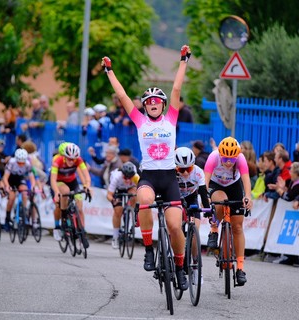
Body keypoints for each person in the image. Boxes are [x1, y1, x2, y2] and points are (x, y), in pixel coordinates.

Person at [101, 44, 191, 290]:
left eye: (156, 101)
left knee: (174, 226)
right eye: (148, 101)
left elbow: (176, 88)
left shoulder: (171, 118)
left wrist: (183, 60)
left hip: (169, 178)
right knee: (143, 199)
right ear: (145, 106)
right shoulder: (139, 120)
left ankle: (181, 268)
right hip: (150, 176)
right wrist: (109, 71)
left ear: (162, 105)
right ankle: (149, 250)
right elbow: (122, 96)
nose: (152, 103)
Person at [204, 136, 253, 286]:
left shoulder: (241, 159)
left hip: (234, 185)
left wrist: (248, 198)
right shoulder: (213, 157)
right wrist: (207, 199)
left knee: (237, 227)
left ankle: (240, 268)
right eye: (225, 158)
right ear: (220, 154)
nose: (228, 162)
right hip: (216, 184)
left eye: (232, 159)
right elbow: (205, 183)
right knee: (221, 201)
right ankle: (214, 229)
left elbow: (246, 180)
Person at [174, 147, 209, 283]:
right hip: (176, 198)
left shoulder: (198, 172)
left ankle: (195, 267)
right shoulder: (171, 172)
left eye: (188, 169)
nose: (185, 173)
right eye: (181, 170)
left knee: (195, 232)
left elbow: (203, 194)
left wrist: (208, 211)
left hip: (191, 198)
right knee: (176, 228)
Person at [50, 143, 91, 241]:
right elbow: (52, 180)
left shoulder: (78, 160)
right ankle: (59, 224)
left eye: (74, 159)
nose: (71, 161)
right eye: (69, 159)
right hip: (58, 182)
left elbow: (86, 176)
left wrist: (87, 186)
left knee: (79, 206)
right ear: (64, 156)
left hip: (72, 181)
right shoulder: (58, 161)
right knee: (63, 195)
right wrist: (56, 192)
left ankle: (82, 229)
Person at [106, 162, 139, 249]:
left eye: (130, 178)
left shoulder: (136, 177)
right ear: (122, 174)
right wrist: (113, 200)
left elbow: (141, 190)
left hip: (130, 188)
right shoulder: (116, 177)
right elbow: (109, 195)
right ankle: (115, 237)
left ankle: (131, 212)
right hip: (118, 190)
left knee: (135, 195)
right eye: (125, 177)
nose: (128, 180)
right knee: (118, 210)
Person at [2, 148, 36, 231]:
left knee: (25, 191)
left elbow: (32, 178)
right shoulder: (12, 162)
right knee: (11, 198)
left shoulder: (27, 163)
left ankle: (23, 211)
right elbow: (5, 177)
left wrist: (33, 186)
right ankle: (7, 218)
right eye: (19, 162)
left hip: (20, 178)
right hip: (11, 179)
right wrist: (7, 186)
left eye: (22, 162)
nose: (21, 164)